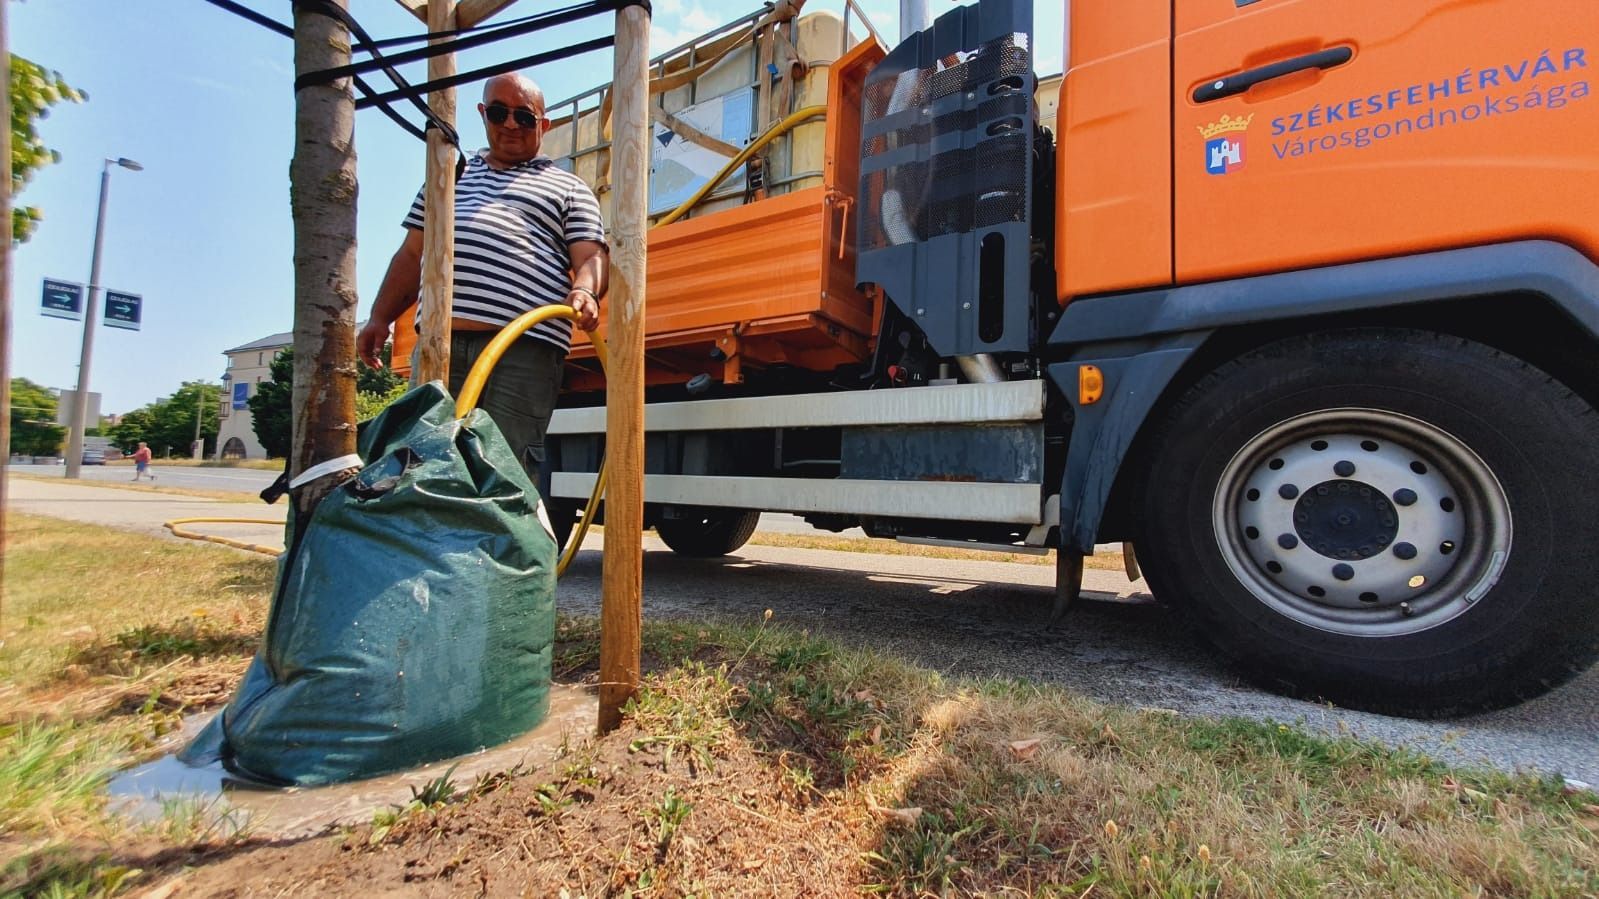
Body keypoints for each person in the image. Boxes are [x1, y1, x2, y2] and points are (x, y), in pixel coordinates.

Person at [357, 71, 608, 483]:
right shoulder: (447, 177)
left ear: (543, 125)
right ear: (483, 114)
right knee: (421, 462)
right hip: (441, 341)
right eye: (499, 112)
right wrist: (379, 316)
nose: (511, 124)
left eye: (524, 117)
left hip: (524, 350)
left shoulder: (568, 188)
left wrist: (584, 289)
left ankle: (498, 549)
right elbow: (411, 253)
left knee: (503, 466)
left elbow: (592, 254)